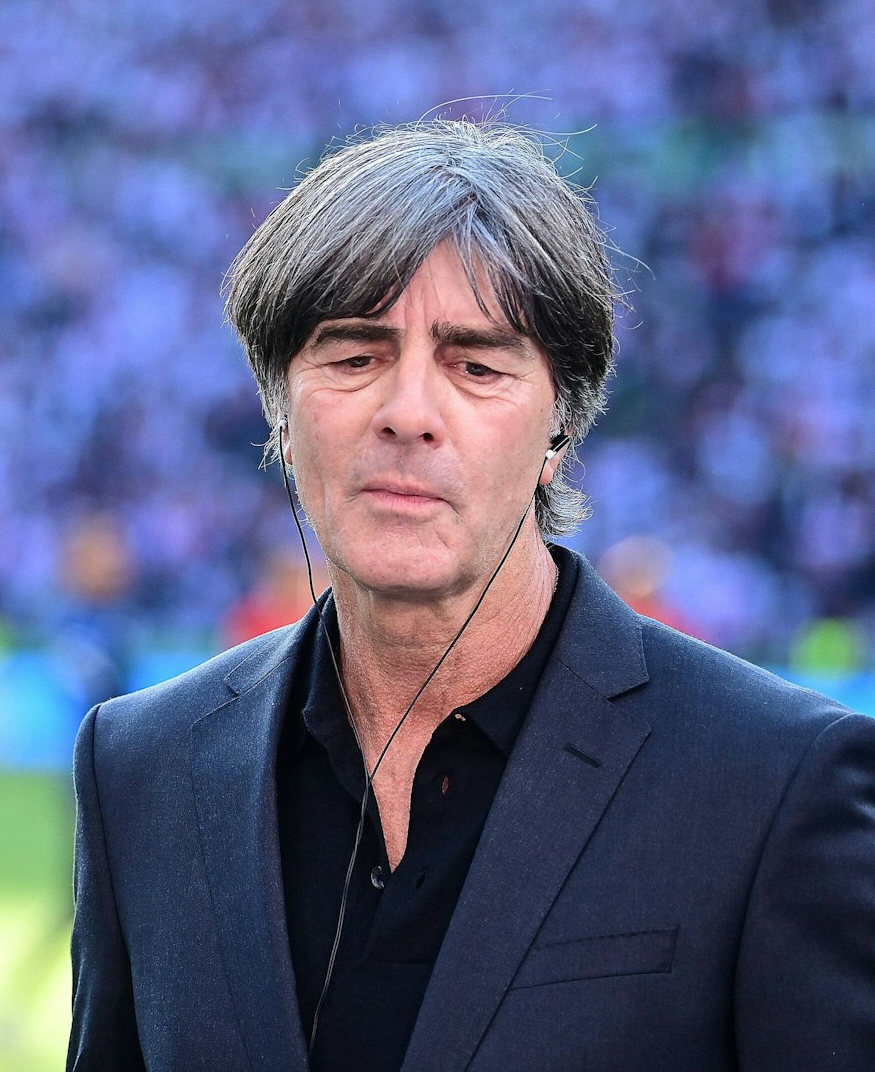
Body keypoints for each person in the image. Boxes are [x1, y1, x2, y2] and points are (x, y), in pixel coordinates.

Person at [67, 121, 875, 1070]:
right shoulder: (139, 767)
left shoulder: (776, 780)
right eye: (354, 355)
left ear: (561, 429)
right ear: (281, 411)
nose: (408, 412)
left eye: (477, 365)